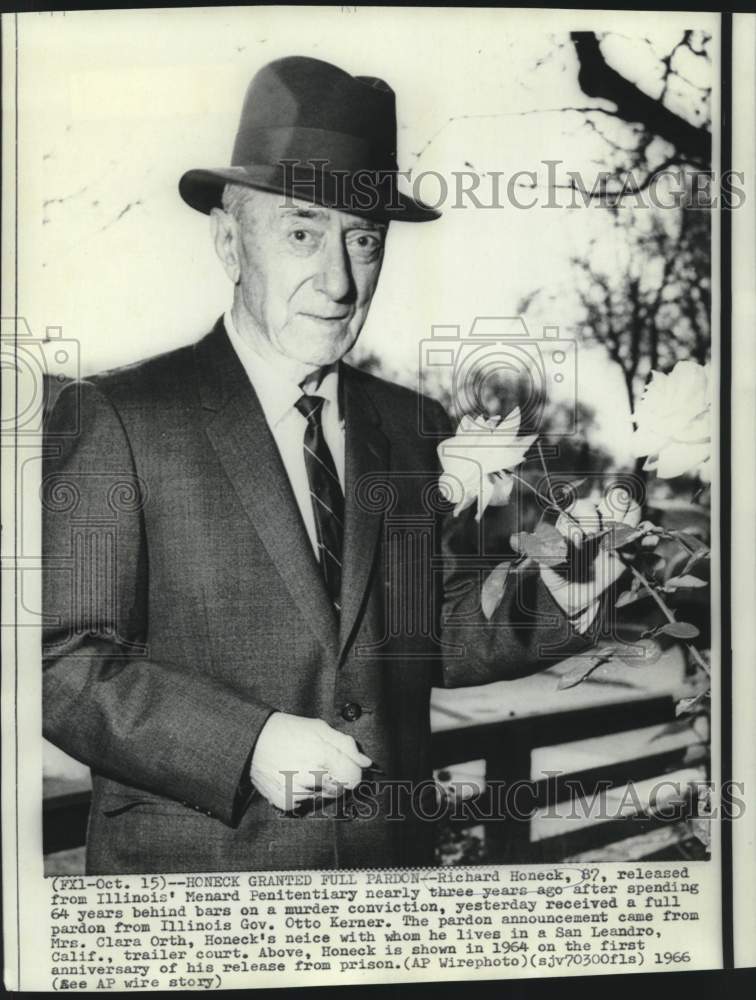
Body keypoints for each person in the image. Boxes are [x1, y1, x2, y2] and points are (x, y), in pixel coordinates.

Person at [42, 56, 617, 874]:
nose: (338, 280)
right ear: (229, 240)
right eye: (303, 232)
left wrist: (565, 591)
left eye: (363, 240)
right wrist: (245, 744)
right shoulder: (121, 417)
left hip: (384, 881)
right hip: (197, 894)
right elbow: (64, 665)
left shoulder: (409, 423)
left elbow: (425, 637)